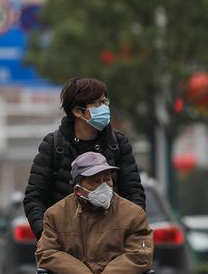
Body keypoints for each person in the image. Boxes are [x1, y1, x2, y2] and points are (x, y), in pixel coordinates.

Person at [24, 77, 146, 238]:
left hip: (111, 242)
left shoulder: (117, 143)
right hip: (67, 243)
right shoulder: (54, 145)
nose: (103, 108)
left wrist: (130, 232)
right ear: (77, 111)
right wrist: (46, 234)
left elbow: (134, 192)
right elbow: (34, 197)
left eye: (104, 102)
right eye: (96, 104)